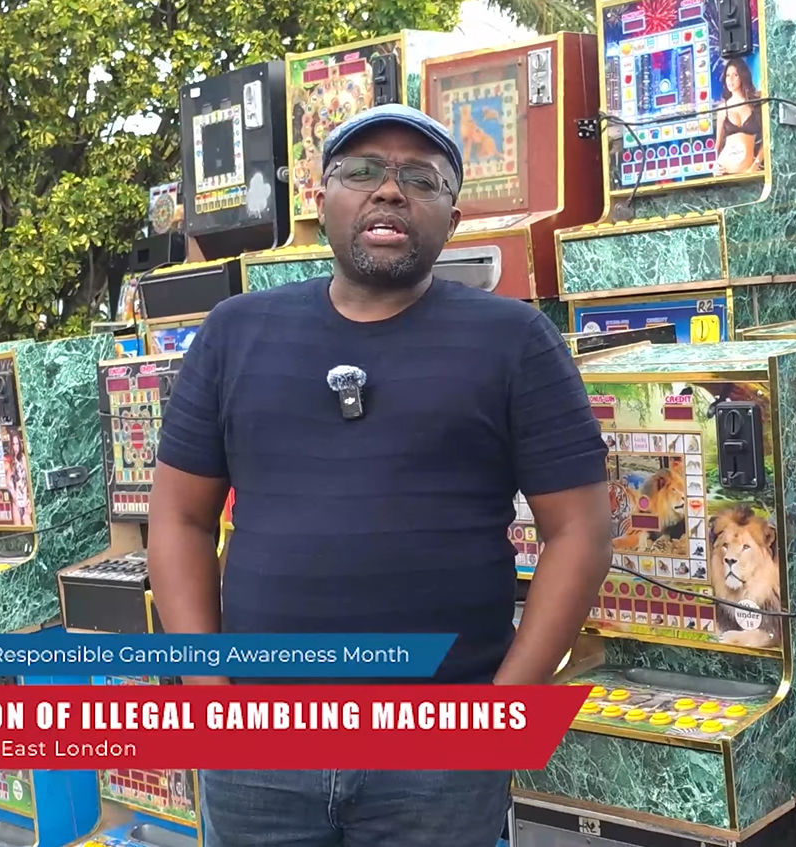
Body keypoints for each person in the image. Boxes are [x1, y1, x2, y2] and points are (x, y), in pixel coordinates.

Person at [146, 103, 613, 847]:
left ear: (452, 220)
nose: (389, 190)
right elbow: (179, 518)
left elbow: (580, 531)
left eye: (420, 179)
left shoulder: (515, 341)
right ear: (321, 199)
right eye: (362, 171)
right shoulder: (235, 333)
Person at [714, 57, 764, 175]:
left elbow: (767, 140)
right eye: (727, 75)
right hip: (724, 171)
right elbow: (718, 145)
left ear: (742, 76)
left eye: (735, 75)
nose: (730, 79)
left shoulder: (755, 105)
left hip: (749, 171)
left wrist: (756, 164)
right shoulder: (722, 109)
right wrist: (714, 166)